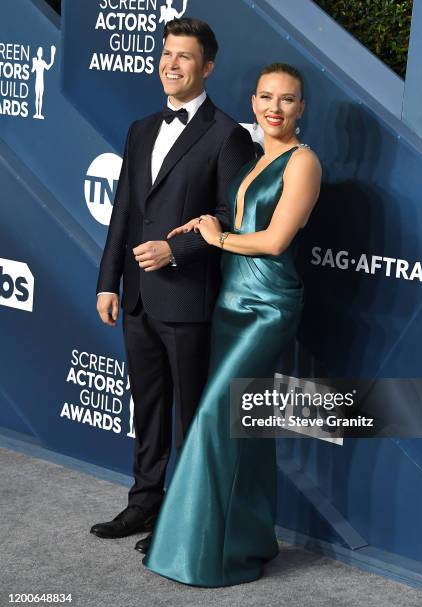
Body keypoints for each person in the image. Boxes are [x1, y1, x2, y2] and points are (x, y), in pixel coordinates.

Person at [142, 63, 322, 586]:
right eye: (266, 96)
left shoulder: (302, 162)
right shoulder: (253, 152)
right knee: (249, 426)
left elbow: (273, 241)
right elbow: (243, 219)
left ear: (301, 109)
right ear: (253, 101)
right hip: (231, 301)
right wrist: (212, 224)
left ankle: (206, 555)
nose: (275, 107)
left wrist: (218, 241)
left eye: (288, 100)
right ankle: (250, 537)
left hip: (268, 305)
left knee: (217, 421)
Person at [90, 17, 255, 550]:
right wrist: (108, 281)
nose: (170, 63)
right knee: (148, 406)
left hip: (186, 297)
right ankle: (143, 504)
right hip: (136, 296)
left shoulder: (227, 134)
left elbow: (231, 217)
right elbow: (123, 213)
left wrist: (174, 249)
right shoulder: (141, 129)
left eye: (184, 56)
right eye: (166, 52)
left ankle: (180, 519)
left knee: (188, 416)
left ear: (206, 67)